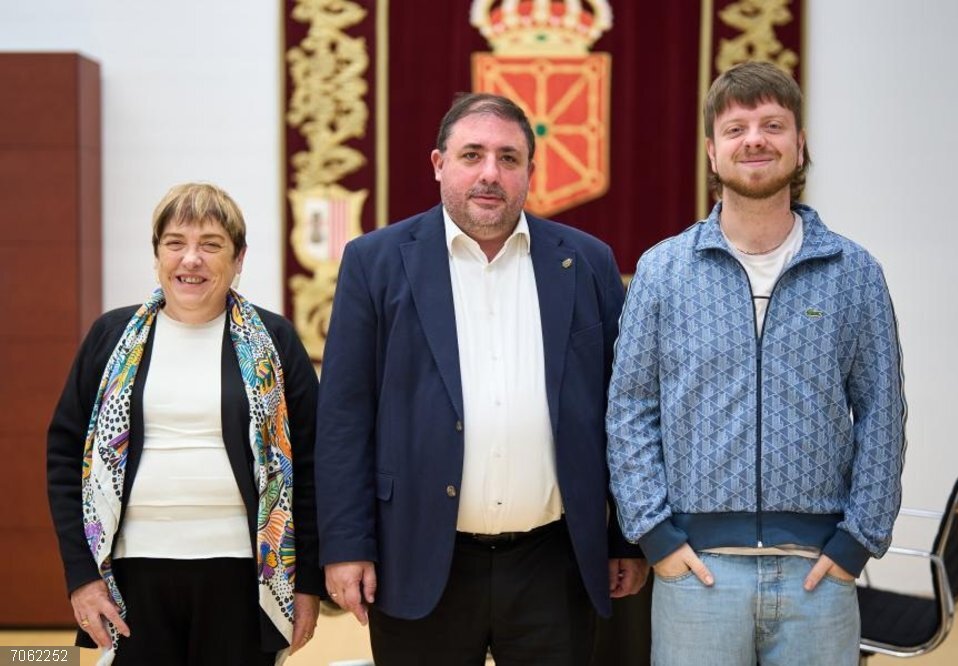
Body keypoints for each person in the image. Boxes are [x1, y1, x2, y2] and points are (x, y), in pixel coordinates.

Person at [315, 92, 648, 664]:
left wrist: (625, 540)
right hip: (417, 556)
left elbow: (625, 414)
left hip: (555, 562)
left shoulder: (588, 261)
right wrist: (345, 546)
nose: (490, 173)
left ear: (530, 173)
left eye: (508, 158)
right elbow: (344, 418)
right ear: (440, 164)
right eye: (472, 155)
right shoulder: (375, 262)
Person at [606, 61, 907, 666]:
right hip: (697, 575)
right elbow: (630, 409)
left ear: (801, 147)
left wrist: (858, 542)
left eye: (773, 124)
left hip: (818, 577)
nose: (755, 139)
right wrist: (657, 537)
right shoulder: (663, 271)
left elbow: (883, 414)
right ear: (712, 153)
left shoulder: (854, 273)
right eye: (736, 127)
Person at [47, 183, 322, 665]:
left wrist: (309, 583)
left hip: (245, 578)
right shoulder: (110, 338)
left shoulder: (274, 340)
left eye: (211, 245)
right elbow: (65, 458)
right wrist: (81, 577)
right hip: (131, 576)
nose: (190, 259)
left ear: (239, 259)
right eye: (175, 243)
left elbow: (316, 466)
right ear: (157, 255)